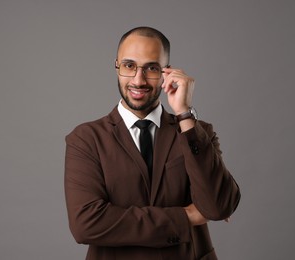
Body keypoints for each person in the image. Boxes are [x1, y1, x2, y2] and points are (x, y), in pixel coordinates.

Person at [64, 26, 240, 260]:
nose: (139, 80)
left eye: (152, 68)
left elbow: (219, 207)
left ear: (167, 72)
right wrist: (186, 216)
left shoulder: (197, 132)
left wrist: (185, 114)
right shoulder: (86, 139)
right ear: (116, 66)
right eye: (129, 66)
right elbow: (86, 224)